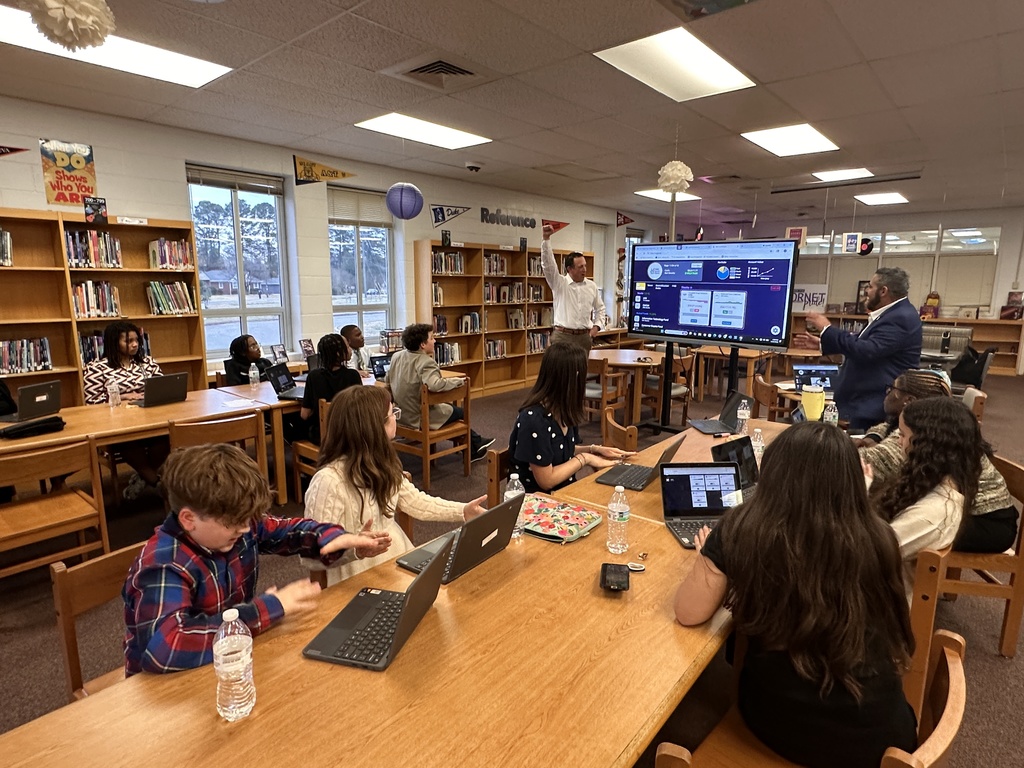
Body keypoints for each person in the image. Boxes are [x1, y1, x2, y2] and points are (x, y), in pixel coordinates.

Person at [674, 422, 917, 768]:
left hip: (793, 735)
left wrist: (707, 558)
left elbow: (688, 613)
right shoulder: (879, 536)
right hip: (885, 736)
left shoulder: (744, 529)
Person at [122, 442, 389, 676]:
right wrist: (267, 608)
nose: (245, 529)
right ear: (189, 519)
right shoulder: (163, 564)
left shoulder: (237, 526)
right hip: (168, 687)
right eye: (234, 522)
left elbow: (288, 530)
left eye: (247, 520)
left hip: (230, 660)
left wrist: (332, 537)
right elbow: (166, 648)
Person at [302, 386, 488, 586]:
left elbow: (415, 501)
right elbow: (310, 555)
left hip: (397, 560)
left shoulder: (382, 462)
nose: (396, 419)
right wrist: (354, 549)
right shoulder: (329, 482)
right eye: (393, 413)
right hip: (358, 577)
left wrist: (462, 511)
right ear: (374, 427)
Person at [859, 370, 1016, 554]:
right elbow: (890, 426)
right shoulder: (933, 428)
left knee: (895, 517)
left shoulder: (936, 512)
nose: (888, 393)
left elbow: (874, 462)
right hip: (968, 508)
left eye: (893, 389)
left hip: (987, 523)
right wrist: (873, 436)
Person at [870, 397, 983, 598]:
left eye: (903, 435)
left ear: (926, 445)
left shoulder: (933, 514)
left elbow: (867, 554)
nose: (898, 442)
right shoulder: (928, 483)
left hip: (880, 604)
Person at [801, 267, 921, 431]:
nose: (866, 291)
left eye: (870, 287)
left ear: (883, 291)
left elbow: (867, 350)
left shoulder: (901, 317)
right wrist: (823, 343)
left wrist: (828, 329)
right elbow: (862, 342)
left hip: (872, 408)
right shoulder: (892, 314)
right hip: (864, 403)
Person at [508, 343, 633, 493]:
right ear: (573, 378)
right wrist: (585, 458)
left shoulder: (563, 409)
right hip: (537, 499)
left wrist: (594, 449)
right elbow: (547, 481)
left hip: (564, 491)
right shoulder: (533, 419)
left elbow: (560, 449)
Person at [82, 320, 168, 498]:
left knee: (165, 437)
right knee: (128, 441)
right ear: (114, 342)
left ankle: (144, 476)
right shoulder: (96, 368)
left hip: (151, 419)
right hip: (118, 425)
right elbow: (92, 403)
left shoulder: (147, 363)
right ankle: (156, 483)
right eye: (128, 341)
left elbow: (161, 387)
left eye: (137, 340)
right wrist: (123, 397)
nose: (135, 344)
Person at [386, 323, 494, 461]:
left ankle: (476, 443)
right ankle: (473, 447)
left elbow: (388, 380)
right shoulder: (426, 362)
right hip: (419, 418)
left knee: (450, 410)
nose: (435, 341)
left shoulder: (396, 356)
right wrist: (458, 381)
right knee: (461, 413)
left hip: (401, 415)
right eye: (432, 338)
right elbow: (435, 385)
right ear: (422, 344)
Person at [541, 223, 606, 351]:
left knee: (583, 365)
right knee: (560, 365)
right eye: (580, 267)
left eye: (585, 265)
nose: (584, 269)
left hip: (584, 337)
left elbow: (600, 308)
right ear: (569, 269)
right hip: (563, 336)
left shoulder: (591, 286)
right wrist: (546, 239)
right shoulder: (559, 283)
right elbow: (548, 264)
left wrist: (597, 327)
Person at [300, 333, 362, 444]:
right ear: (338, 353)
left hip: (322, 436)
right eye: (348, 347)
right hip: (349, 435)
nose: (350, 350)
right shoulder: (353, 376)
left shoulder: (313, 376)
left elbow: (304, 414)